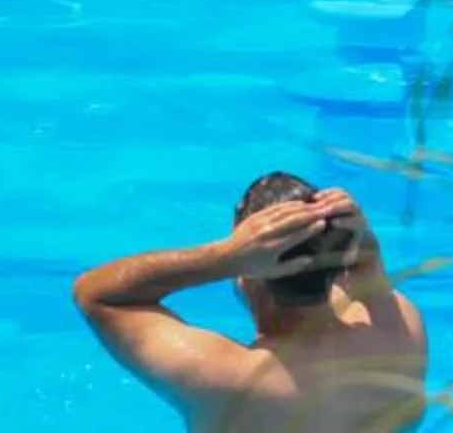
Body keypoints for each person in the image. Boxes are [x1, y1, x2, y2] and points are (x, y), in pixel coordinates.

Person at [72, 174, 426, 433]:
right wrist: (360, 244)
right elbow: (367, 278)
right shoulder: (400, 330)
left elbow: (95, 294)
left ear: (250, 271)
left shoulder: (226, 377)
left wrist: (223, 256)